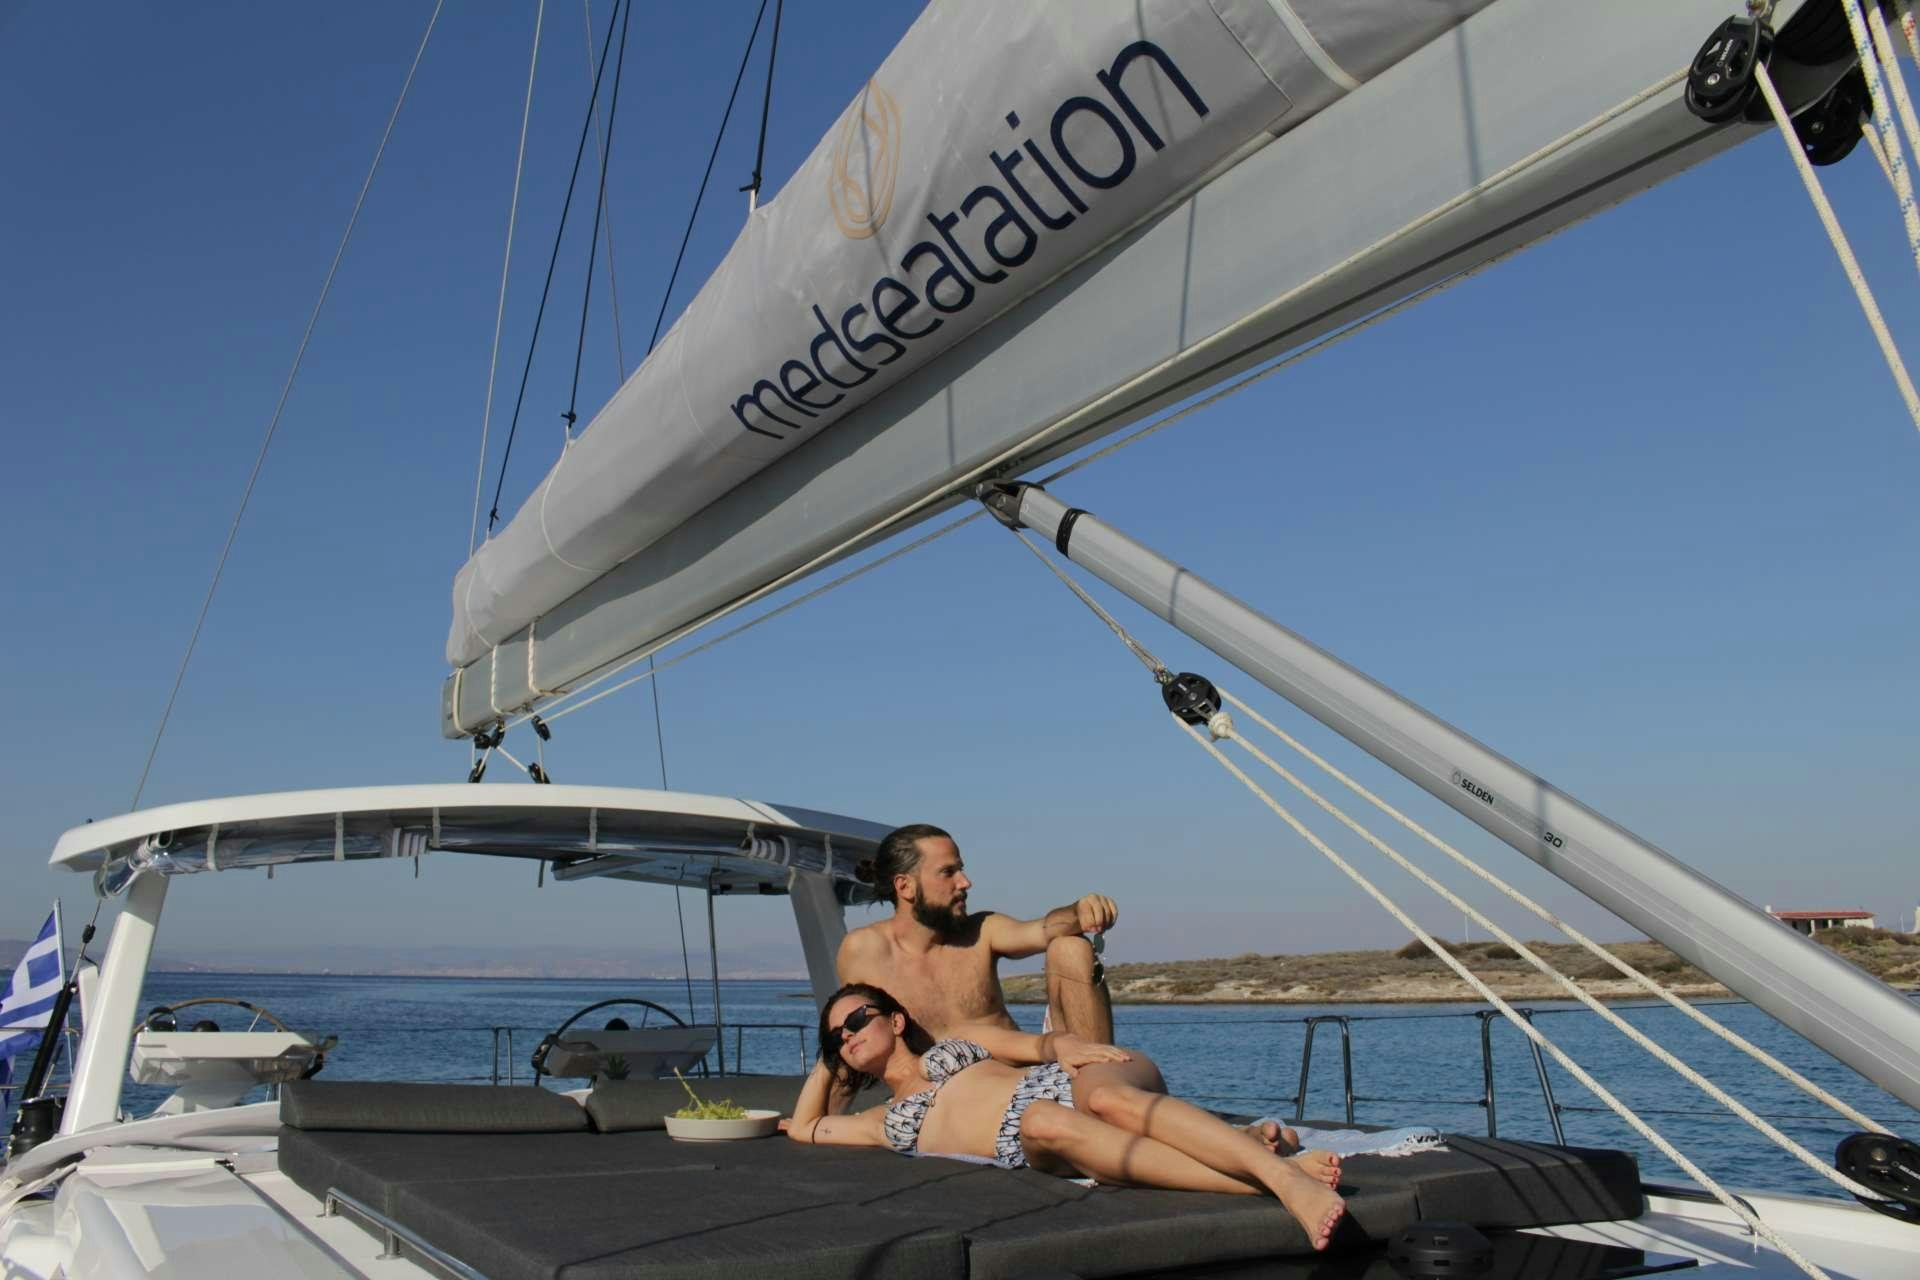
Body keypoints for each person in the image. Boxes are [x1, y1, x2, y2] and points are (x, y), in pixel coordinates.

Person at [782, 984, 1347, 1252]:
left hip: (1080, 1081)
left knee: (1101, 1104)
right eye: (837, 1036)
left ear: (896, 1020)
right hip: (1039, 1131)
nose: (848, 1035)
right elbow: (804, 1126)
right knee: (1041, 1122)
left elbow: (1041, 1045)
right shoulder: (880, 1121)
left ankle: (1279, 1179)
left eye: (856, 1020)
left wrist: (1069, 1046)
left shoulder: (956, 1040)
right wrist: (829, 1059)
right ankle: (1261, 1162)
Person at [838, 823, 1116, 1045]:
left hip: (1024, 1075)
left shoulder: (982, 930)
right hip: (945, 1091)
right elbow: (848, 1040)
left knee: (1071, 947)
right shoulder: (864, 951)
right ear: (905, 886)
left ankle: (1098, 1080)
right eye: (948, 872)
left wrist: (1078, 912)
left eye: (961, 869)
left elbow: (1044, 930)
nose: (965, 882)